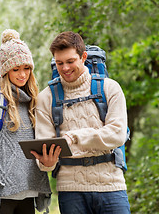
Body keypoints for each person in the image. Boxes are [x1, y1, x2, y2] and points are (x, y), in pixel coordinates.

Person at [32, 31, 130, 214]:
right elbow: (45, 153)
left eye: (70, 61)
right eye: (59, 63)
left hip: (112, 186)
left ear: (83, 57)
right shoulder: (46, 98)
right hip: (70, 190)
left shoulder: (110, 88)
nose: (65, 68)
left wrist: (75, 137)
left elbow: (118, 134)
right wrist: (46, 162)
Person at [0, 29, 52, 214]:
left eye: (26, 68)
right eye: (15, 69)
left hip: (29, 193)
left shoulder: (32, 98)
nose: (22, 74)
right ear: (6, 70)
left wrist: (42, 193)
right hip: (2, 196)